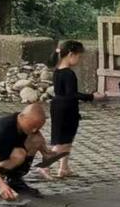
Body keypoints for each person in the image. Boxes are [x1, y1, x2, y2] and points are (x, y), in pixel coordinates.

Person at [44, 40, 106, 180]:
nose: (79, 60)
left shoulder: (57, 71)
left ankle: (63, 168)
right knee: (62, 143)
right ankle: (45, 166)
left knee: (66, 140)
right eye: (78, 56)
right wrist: (92, 96)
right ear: (71, 54)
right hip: (67, 108)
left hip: (58, 106)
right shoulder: (68, 74)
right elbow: (72, 94)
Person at [0, 102, 53, 201]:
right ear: (22, 117)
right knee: (19, 154)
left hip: (3, 158)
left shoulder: (24, 123)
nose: (34, 130)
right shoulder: (3, 129)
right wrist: (1, 186)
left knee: (35, 139)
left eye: (38, 127)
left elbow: (38, 138)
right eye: (33, 126)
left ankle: (15, 181)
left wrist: (46, 153)